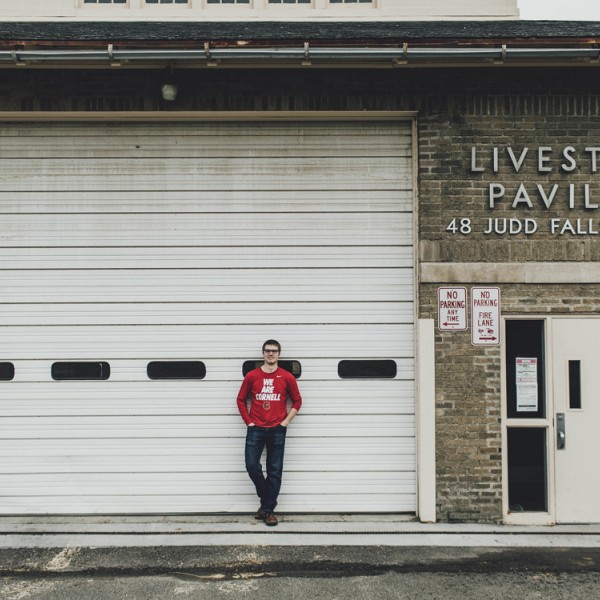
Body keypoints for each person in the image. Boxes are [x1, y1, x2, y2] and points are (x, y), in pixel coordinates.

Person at [236, 339, 302, 527]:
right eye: (267, 351)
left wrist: (286, 421)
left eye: (274, 351)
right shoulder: (252, 376)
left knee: (274, 470)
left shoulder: (287, 377)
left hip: (277, 429)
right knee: (251, 465)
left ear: (279, 354)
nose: (270, 354)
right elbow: (240, 399)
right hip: (255, 428)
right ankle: (267, 502)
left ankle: (268, 511)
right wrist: (248, 421)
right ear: (263, 354)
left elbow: (297, 401)